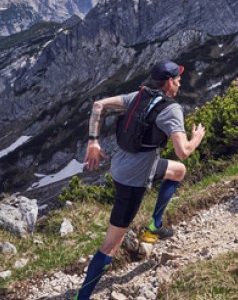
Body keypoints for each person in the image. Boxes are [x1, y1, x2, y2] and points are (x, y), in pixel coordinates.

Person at [74, 60, 205, 300]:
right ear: (168, 82)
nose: (180, 81)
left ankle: (154, 227)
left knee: (178, 171)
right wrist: (196, 137)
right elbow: (183, 150)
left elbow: (98, 105)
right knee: (111, 245)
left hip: (124, 164)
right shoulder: (171, 109)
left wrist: (93, 140)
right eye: (177, 78)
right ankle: (80, 298)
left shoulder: (139, 95)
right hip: (133, 180)